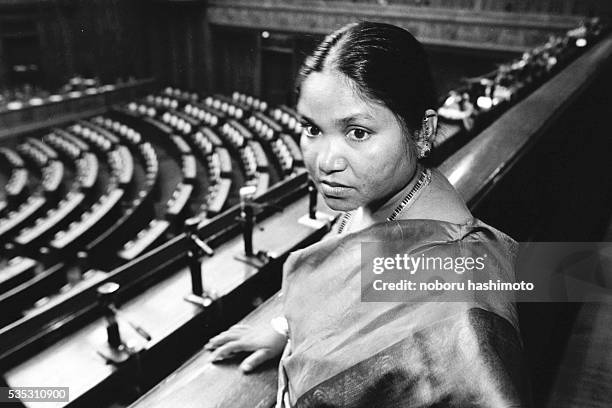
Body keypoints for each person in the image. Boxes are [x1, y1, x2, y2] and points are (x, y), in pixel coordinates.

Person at [205, 22, 528, 407]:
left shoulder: (460, 304)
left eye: (357, 132)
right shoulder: (372, 198)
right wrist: (288, 329)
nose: (325, 161)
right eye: (311, 128)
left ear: (423, 130)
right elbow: (344, 301)